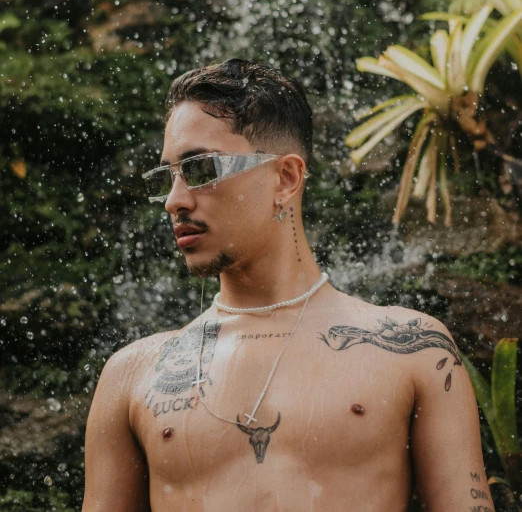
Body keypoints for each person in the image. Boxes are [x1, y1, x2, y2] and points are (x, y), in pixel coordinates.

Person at [81, 58, 495, 512]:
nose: (175, 201)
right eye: (168, 178)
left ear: (286, 178)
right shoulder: (132, 376)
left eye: (201, 169)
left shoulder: (413, 350)